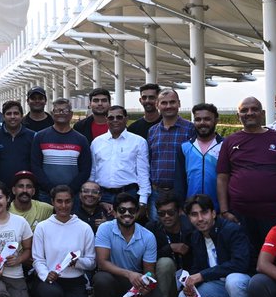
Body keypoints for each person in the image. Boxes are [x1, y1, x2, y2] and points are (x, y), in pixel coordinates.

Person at [217, 96, 276, 269]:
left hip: (274, 214)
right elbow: (222, 177)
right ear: (238, 115)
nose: (249, 113)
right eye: (244, 110)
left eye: (254, 109)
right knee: (247, 259)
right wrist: (224, 211)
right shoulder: (230, 141)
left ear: (262, 113)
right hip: (241, 214)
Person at [176, 194, 255, 297]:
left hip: (246, 284)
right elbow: (197, 267)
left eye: (204, 212)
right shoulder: (196, 237)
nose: (200, 218)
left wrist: (202, 276)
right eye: (194, 214)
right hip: (220, 285)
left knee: (234, 281)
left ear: (213, 213)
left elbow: (240, 264)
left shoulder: (231, 230)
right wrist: (189, 286)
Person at [93, 192, 170, 297]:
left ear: (137, 213)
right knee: (100, 279)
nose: (127, 214)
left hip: (135, 280)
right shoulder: (105, 229)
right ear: (115, 213)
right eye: (122, 210)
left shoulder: (148, 236)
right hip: (112, 276)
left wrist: (147, 283)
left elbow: (149, 271)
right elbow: (102, 263)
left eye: (132, 210)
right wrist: (129, 274)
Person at [31, 184, 96, 297]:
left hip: (75, 282)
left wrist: (78, 263)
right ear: (53, 202)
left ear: (73, 202)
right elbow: (38, 259)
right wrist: (46, 274)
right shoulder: (43, 227)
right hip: (51, 281)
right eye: (59, 201)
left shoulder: (84, 228)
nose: (63, 205)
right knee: (51, 293)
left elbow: (92, 262)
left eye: (67, 201)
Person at [146, 88, 196, 220]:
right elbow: (149, 161)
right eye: (164, 103)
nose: (168, 106)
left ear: (179, 103)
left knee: (184, 230)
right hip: (157, 193)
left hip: (181, 192)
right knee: (157, 232)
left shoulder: (190, 129)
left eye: (172, 102)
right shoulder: (152, 131)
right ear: (157, 105)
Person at [30, 98, 92, 198]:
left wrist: (70, 190)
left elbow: (85, 170)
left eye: (65, 110)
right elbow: (35, 166)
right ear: (52, 113)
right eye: (57, 110)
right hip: (46, 194)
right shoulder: (40, 137)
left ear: (71, 114)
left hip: (72, 195)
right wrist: (50, 188)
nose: (61, 113)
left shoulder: (81, 140)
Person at [89, 105, 149, 206]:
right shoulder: (97, 142)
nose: (115, 120)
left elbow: (143, 173)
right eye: (111, 118)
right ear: (106, 120)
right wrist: (91, 192)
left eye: (119, 117)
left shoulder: (138, 142)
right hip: (102, 196)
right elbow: (93, 171)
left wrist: (143, 200)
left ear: (126, 119)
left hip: (129, 194)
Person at [174, 103, 222, 210]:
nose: (202, 123)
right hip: (191, 209)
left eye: (207, 119)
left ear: (216, 121)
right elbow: (179, 181)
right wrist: (181, 208)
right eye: (198, 119)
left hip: (218, 209)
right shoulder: (184, 147)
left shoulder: (225, 146)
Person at [148, 190, 189, 297]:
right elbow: (147, 259)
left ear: (179, 211)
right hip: (165, 282)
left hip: (189, 281)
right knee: (165, 263)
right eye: (161, 213)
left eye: (171, 212)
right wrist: (170, 248)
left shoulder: (190, 229)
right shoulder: (152, 229)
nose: (166, 217)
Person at [0, 99, 35, 187]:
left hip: (25, 188)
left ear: (21, 116)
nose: (12, 117)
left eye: (16, 113)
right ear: (3, 117)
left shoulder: (32, 136)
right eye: (8, 114)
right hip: (0, 187)